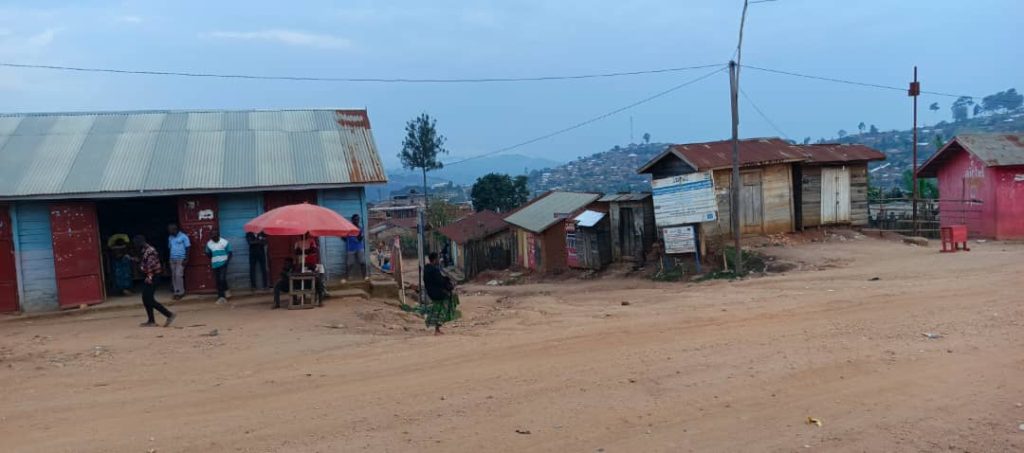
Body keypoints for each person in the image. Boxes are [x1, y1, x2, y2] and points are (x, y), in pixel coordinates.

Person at [134, 235, 175, 327]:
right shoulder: (145, 251)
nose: (135, 246)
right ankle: (151, 320)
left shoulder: (150, 251)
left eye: (136, 244)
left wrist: (148, 276)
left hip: (153, 276)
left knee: (148, 298)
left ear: (140, 243)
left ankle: (168, 314)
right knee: (146, 298)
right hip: (151, 276)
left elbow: (149, 267)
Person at [422, 252, 459, 335]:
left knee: (437, 309)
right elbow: (440, 281)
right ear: (435, 260)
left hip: (431, 292)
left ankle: (437, 328)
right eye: (438, 258)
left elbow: (439, 280)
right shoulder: (434, 270)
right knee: (443, 309)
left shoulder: (427, 269)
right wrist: (449, 286)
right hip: (438, 293)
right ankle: (437, 329)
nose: (439, 260)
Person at [205, 230, 232, 304]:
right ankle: (226, 290)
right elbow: (207, 253)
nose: (213, 237)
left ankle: (221, 297)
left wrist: (226, 261)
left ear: (218, 235)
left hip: (223, 263)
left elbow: (230, 252)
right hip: (215, 264)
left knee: (221, 279)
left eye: (215, 236)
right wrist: (214, 258)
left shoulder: (224, 242)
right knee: (218, 280)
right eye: (212, 236)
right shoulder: (209, 243)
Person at [167, 223, 190, 300]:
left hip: (181, 259)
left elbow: (188, 248)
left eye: (170, 230)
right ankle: (176, 292)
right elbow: (170, 248)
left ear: (175, 229)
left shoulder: (183, 236)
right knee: (173, 275)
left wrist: (186, 259)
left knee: (178, 275)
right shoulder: (170, 237)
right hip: (172, 259)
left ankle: (181, 292)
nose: (169, 231)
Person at [345, 214, 366, 281]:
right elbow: (343, 237)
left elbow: (360, 239)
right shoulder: (348, 229)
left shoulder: (360, 228)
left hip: (359, 248)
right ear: (352, 220)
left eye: (358, 219)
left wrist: (358, 235)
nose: (357, 221)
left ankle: (364, 277)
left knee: (362, 262)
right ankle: (348, 277)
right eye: (355, 219)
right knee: (350, 264)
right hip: (350, 248)